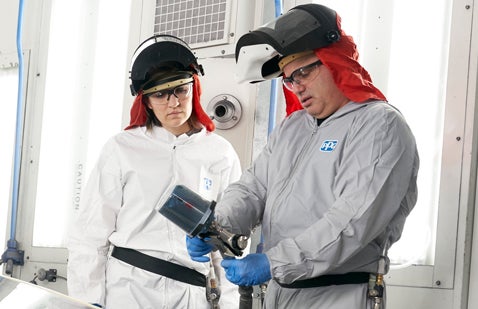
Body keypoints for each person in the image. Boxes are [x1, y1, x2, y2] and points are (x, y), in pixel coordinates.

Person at [186, 4, 419, 309]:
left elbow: (352, 221)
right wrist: (219, 225)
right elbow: (253, 188)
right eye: (288, 79)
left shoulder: (379, 126)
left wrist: (274, 263)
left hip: (338, 294)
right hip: (281, 292)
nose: (297, 88)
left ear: (334, 62)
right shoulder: (293, 127)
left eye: (303, 72)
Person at [67, 34, 242, 309]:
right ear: (146, 101)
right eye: (160, 94)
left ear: (193, 88)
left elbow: (228, 240)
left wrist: (231, 304)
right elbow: (90, 234)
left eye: (180, 90)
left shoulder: (219, 152)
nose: (173, 103)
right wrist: (87, 302)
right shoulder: (121, 149)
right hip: (130, 289)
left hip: (192, 295)